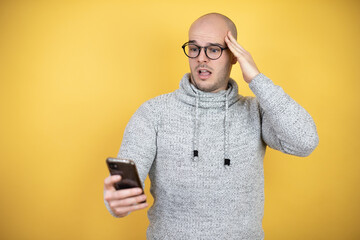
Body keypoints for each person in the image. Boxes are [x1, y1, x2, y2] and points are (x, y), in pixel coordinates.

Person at [103, 13, 319, 239]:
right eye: (194, 48)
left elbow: (305, 141)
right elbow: (125, 186)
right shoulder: (153, 113)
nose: (201, 58)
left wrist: (256, 78)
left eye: (213, 49)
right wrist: (117, 202)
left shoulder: (256, 111)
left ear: (234, 56)